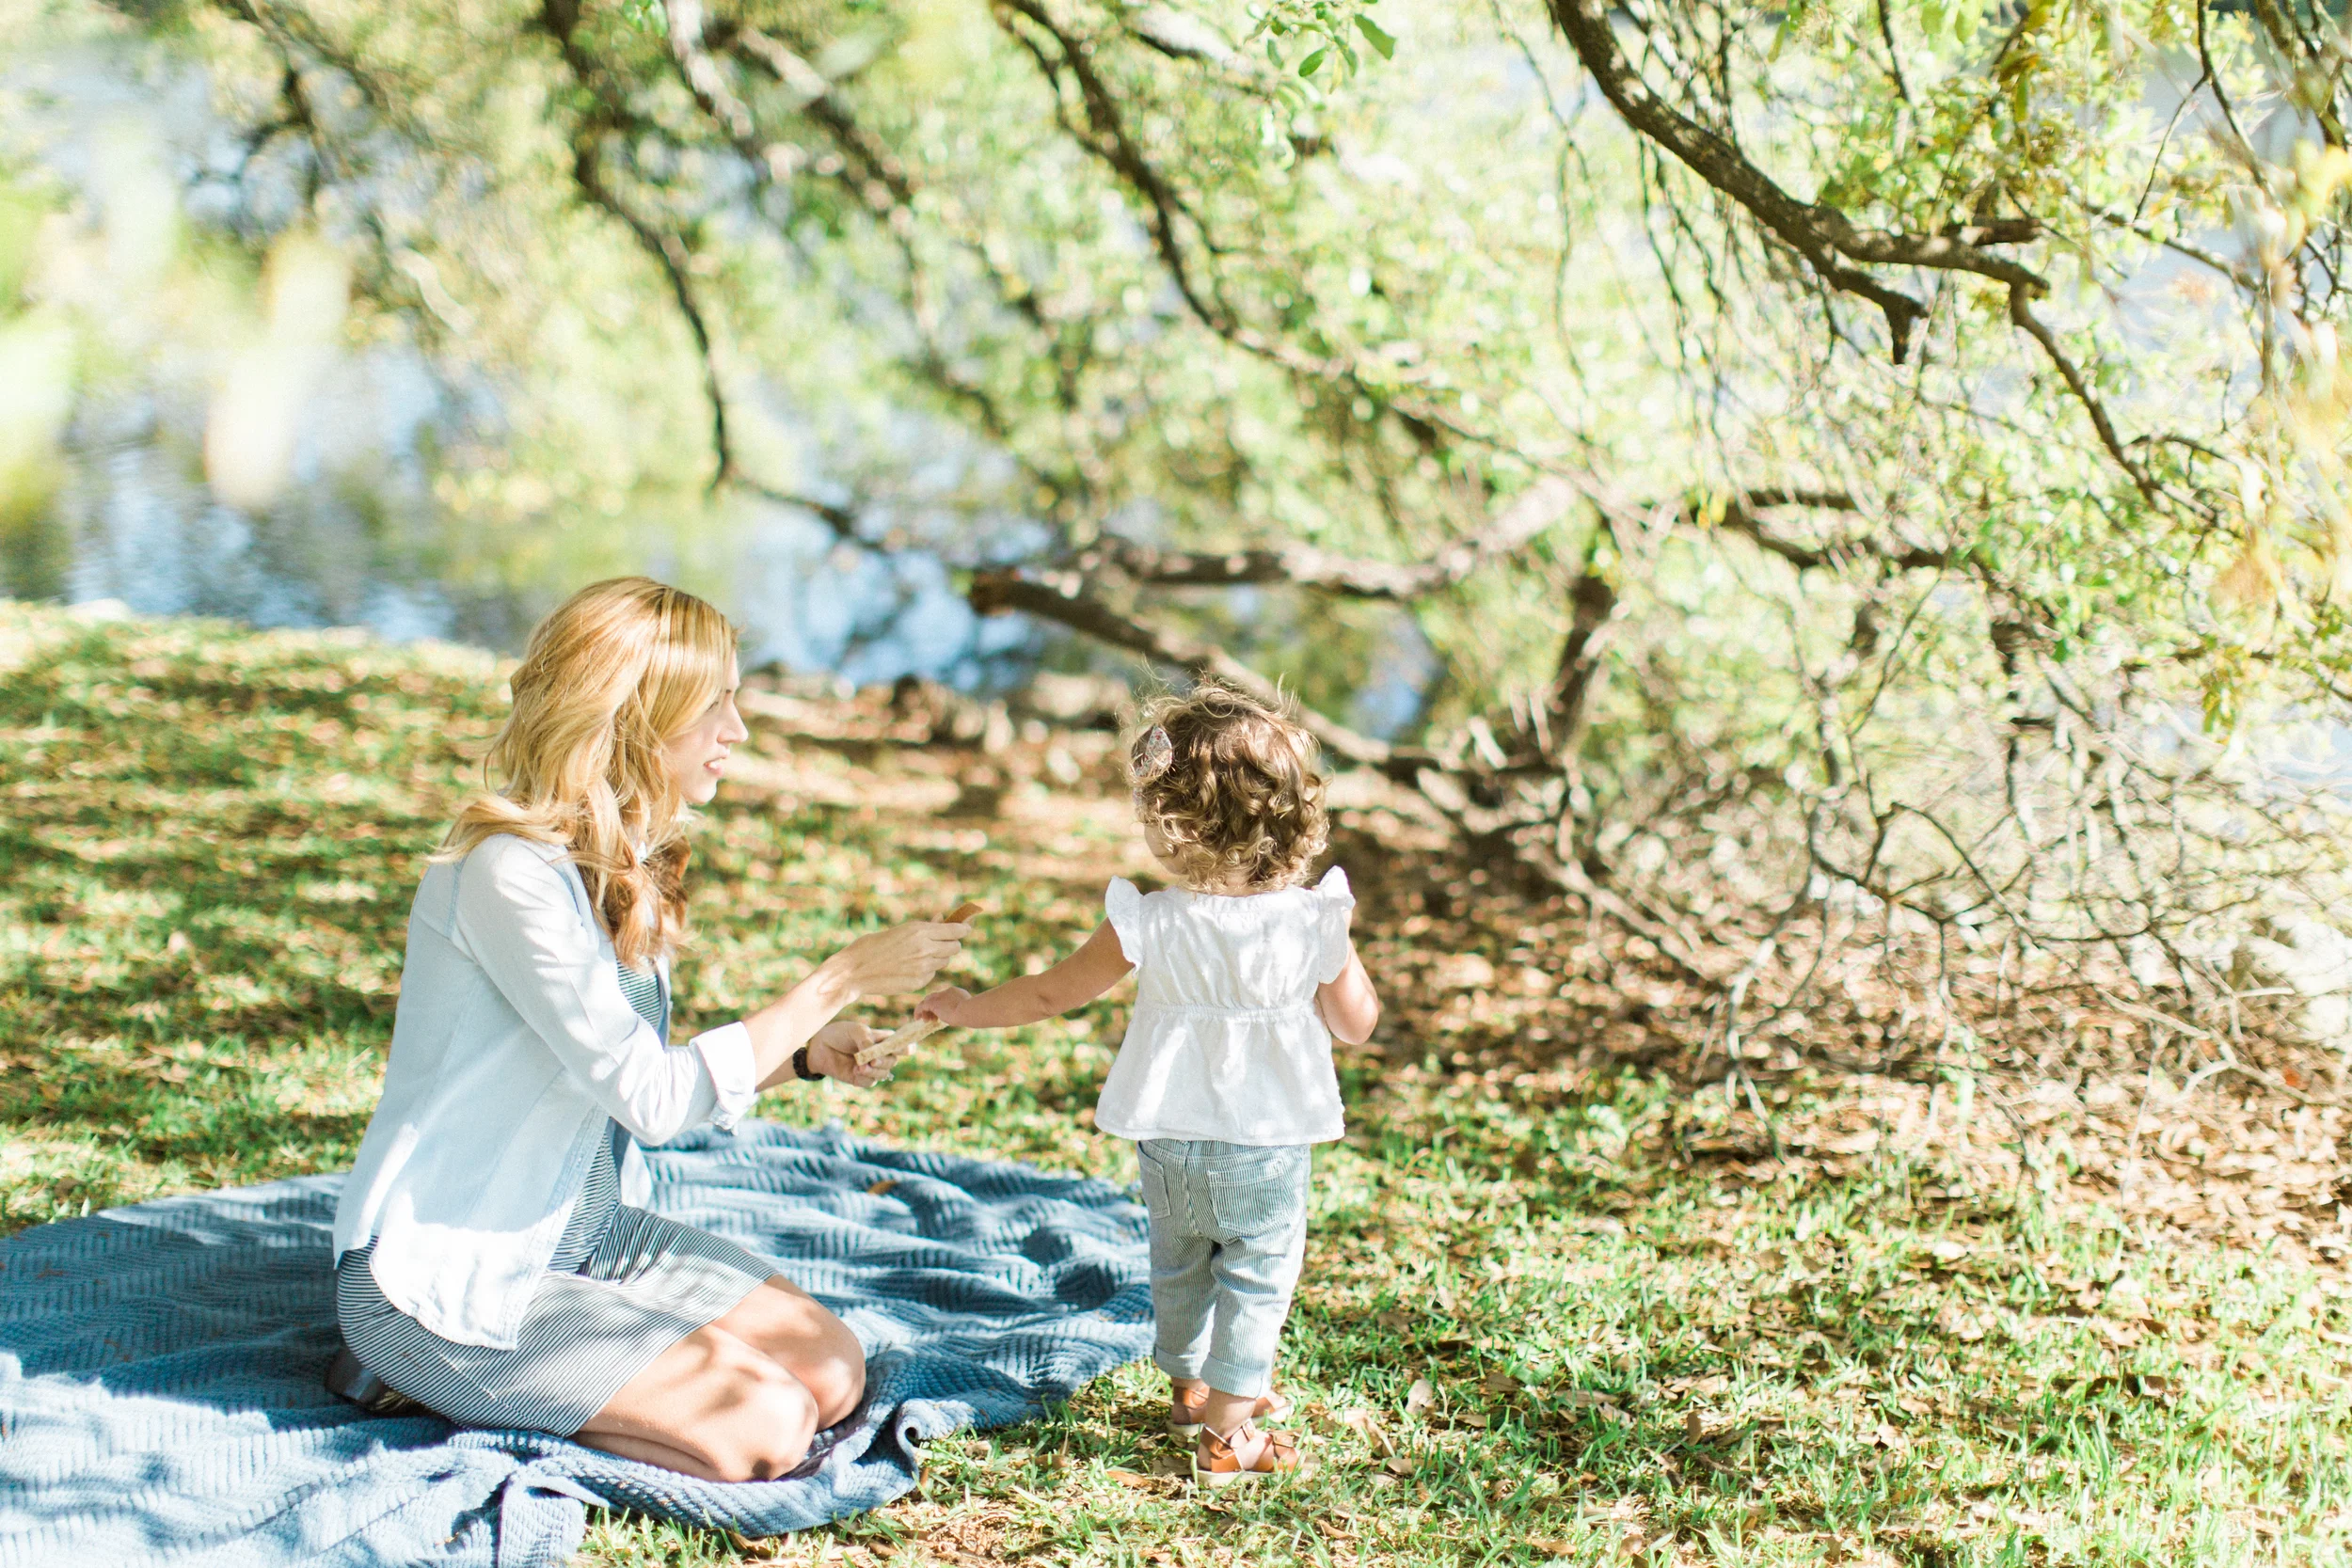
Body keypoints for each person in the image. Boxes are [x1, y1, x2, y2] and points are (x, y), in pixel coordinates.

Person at [329, 578, 969, 1481]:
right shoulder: (506, 874)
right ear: (636, 717)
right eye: (717, 704)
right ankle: (429, 1373)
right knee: (771, 1427)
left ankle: (590, 1375)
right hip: (451, 1277)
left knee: (832, 1369)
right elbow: (654, 1099)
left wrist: (804, 1058)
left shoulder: (615, 856)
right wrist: (839, 979)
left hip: (586, 1236)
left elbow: (629, 1078)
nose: (738, 730)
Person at [915, 683, 1379, 1485]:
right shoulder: (1312, 920)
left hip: (1168, 1136)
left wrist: (964, 1008)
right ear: (1295, 816)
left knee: (1182, 1260)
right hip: (1264, 1146)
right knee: (1258, 1272)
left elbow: (1051, 991)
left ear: (1174, 824)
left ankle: (1189, 1384)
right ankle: (1232, 1433)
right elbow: (1357, 1023)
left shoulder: (1152, 918)